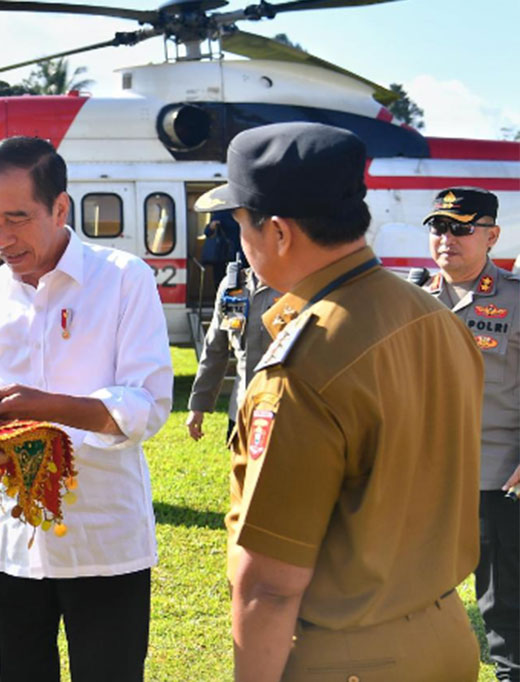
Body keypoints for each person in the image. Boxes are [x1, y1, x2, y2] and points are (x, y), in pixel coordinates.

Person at [194, 122, 484, 682]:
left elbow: (270, 586)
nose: (241, 245)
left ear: (277, 231)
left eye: (240, 227)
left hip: (348, 660)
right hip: (444, 634)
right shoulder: (432, 316)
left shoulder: (305, 366)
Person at [0, 136, 173, 682]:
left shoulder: (124, 278)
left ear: (59, 207)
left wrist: (47, 408)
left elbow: (146, 406)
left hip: (103, 538)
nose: (0, 239)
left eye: (16, 218)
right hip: (11, 543)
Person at [418, 187, 518, 682]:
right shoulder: (411, 299)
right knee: (417, 597)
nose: (447, 238)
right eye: (438, 227)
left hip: (498, 479)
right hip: (426, 481)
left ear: (492, 236)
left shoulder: (516, 301)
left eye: (461, 228)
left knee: (504, 607)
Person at [186, 257, 278, 440]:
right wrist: (199, 404)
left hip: (283, 413)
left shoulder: (298, 286)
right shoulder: (234, 287)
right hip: (241, 411)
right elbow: (215, 349)